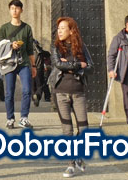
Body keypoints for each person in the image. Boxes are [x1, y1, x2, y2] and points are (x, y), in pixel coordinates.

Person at [50, 17, 93, 178]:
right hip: (60, 92)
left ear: (71, 30)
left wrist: (71, 65)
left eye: (62, 28)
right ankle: (70, 164)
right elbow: (59, 65)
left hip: (78, 92)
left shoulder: (81, 47)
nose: (59, 31)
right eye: (58, 28)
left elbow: (91, 67)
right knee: (67, 131)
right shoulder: (55, 47)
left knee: (84, 129)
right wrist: (77, 65)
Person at [0, 0, 36, 128]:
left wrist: (33, 65)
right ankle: (10, 119)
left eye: (17, 8)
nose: (15, 10)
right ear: (9, 10)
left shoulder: (27, 28)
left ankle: (24, 118)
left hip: (23, 63)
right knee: (9, 92)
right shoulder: (4, 28)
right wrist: (10, 45)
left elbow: (30, 49)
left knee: (27, 90)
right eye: (12, 8)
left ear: (21, 10)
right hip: (9, 64)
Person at [32, 39, 52, 106]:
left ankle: (34, 96)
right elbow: (48, 54)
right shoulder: (40, 51)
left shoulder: (27, 51)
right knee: (40, 85)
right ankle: (37, 95)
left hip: (30, 69)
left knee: (32, 85)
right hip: (38, 69)